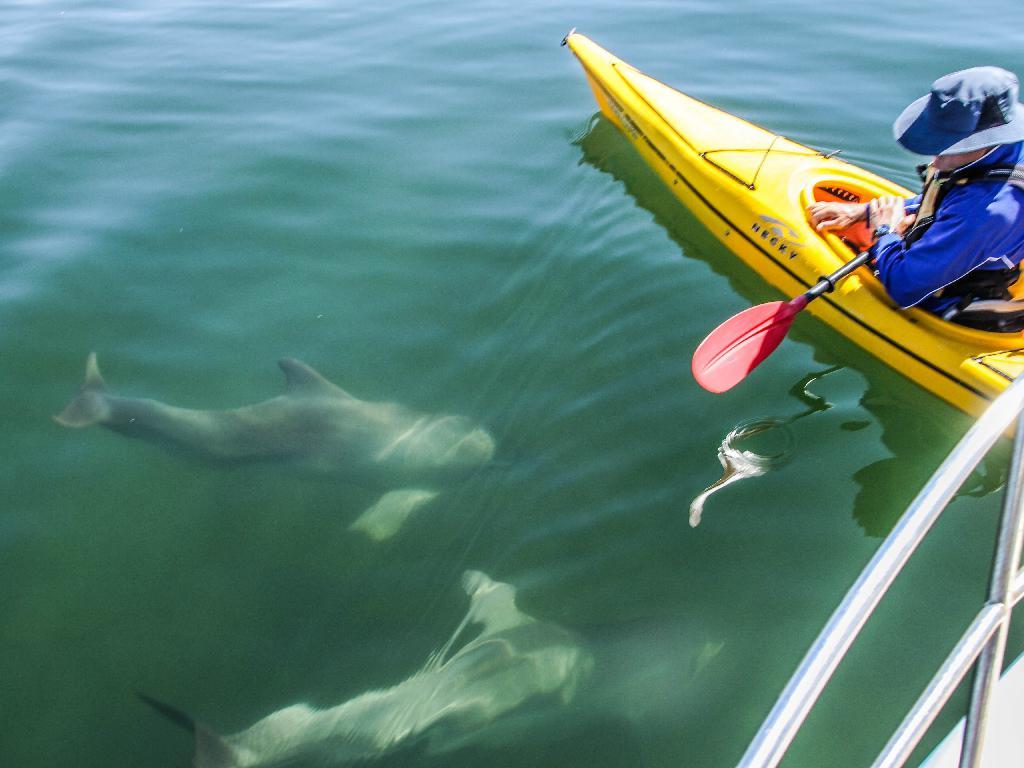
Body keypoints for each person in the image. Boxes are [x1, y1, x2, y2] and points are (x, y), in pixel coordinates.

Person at [807, 67, 1024, 330]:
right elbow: (950, 198)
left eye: (947, 147)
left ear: (985, 142)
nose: (934, 160)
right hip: (976, 247)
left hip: (952, 304)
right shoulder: (1009, 149)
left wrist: (883, 231)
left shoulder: (985, 210)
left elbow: (904, 288)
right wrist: (863, 212)